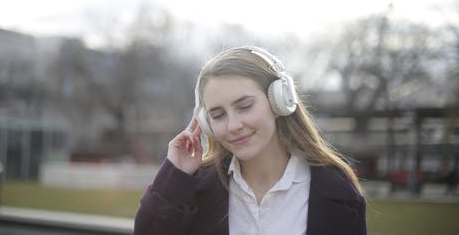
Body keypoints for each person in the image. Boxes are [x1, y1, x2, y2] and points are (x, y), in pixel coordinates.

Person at [133, 46, 366, 235]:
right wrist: (175, 177)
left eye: (244, 106)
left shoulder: (335, 187)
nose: (233, 125)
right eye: (218, 115)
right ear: (206, 123)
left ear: (279, 101)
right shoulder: (194, 188)